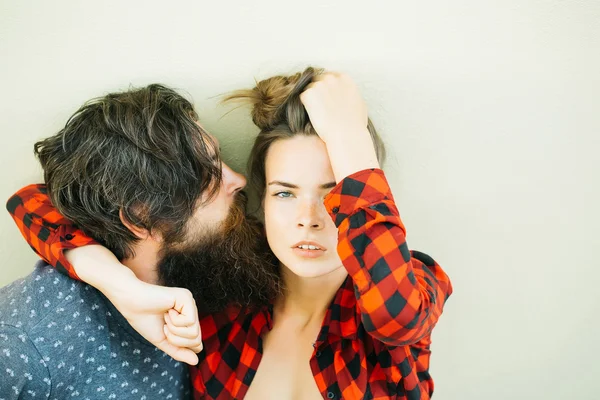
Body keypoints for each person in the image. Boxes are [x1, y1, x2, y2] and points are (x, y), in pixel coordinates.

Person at [7, 68, 453, 399]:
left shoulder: (412, 280)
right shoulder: (230, 284)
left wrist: (350, 139)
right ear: (260, 200)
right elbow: (31, 200)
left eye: (334, 194)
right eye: (284, 193)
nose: (310, 219)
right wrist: (116, 282)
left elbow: (395, 315)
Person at [0, 83, 280, 399]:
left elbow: (29, 201)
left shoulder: (216, 258)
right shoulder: (27, 341)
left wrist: (121, 285)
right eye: (209, 176)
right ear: (139, 218)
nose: (239, 180)